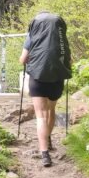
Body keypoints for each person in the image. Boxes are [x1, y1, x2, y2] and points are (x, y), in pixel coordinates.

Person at [19, 11, 72, 167]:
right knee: (51, 110)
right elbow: (69, 60)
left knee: (40, 116)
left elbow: (22, 60)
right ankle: (48, 138)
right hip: (57, 79)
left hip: (38, 78)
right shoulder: (60, 36)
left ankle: (45, 154)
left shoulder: (32, 36)